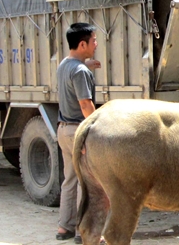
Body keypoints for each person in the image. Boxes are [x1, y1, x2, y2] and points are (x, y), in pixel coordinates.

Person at [55, 23, 100, 242]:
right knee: (87, 182)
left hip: (64, 130)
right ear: (82, 44)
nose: (96, 44)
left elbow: (76, 71)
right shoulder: (80, 71)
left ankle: (64, 228)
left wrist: (88, 64)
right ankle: (85, 231)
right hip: (79, 131)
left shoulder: (65, 64)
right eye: (93, 41)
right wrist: (97, 128)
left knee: (69, 180)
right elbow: (85, 104)